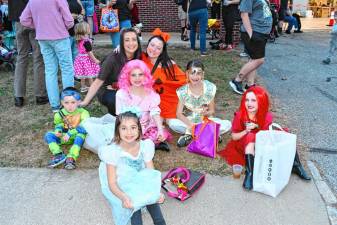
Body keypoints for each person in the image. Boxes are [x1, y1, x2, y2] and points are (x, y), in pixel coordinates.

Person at [219, 86, 311, 190]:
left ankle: (296, 165)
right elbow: (234, 137)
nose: (249, 103)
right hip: (244, 145)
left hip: (261, 144)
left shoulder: (266, 116)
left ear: (261, 102)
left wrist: (258, 128)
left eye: (254, 100)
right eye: (247, 100)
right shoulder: (240, 115)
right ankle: (250, 173)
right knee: (250, 136)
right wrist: (246, 131)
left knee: (283, 134)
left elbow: (267, 134)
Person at [98, 110, 166, 225]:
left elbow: (151, 174)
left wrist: (156, 193)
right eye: (124, 128)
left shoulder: (145, 146)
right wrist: (123, 197)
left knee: (157, 212)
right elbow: (112, 183)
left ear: (139, 129)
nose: (129, 132)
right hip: (123, 183)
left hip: (141, 179)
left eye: (133, 127)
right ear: (117, 131)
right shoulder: (112, 152)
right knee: (135, 214)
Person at [20, 0, 75, 112]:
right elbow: (69, 21)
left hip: (43, 37)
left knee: (50, 70)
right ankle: (70, 103)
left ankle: (55, 105)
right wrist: (63, 25)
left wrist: (38, 25)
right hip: (60, 36)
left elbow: (23, 19)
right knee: (67, 68)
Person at [170, 59, 231, 147]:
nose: (195, 76)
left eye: (198, 73)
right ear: (187, 73)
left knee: (227, 124)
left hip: (205, 121)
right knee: (172, 123)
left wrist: (206, 113)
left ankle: (191, 134)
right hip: (190, 121)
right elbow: (179, 114)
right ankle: (210, 134)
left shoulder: (209, 88)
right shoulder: (183, 91)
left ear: (203, 74)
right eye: (192, 73)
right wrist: (191, 125)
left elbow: (212, 111)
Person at [81, 28, 142, 115]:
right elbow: (98, 82)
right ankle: (118, 118)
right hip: (109, 89)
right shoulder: (112, 59)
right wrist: (85, 102)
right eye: (127, 40)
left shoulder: (140, 56)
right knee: (115, 100)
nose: (131, 43)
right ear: (121, 43)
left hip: (129, 88)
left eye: (133, 39)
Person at [116, 59, 171, 151]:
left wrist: (160, 129)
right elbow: (120, 116)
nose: (137, 78)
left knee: (160, 134)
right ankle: (145, 144)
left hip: (147, 125)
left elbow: (155, 111)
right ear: (127, 77)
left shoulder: (150, 92)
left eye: (140, 74)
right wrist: (131, 129)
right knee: (126, 139)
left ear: (145, 76)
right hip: (129, 126)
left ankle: (150, 142)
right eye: (133, 75)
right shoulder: (122, 94)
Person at [141, 28, 187, 132]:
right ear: (147, 44)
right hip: (146, 102)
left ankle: (200, 131)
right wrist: (119, 48)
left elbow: (185, 82)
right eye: (152, 45)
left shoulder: (169, 65)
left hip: (166, 102)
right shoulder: (141, 58)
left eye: (158, 48)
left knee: (172, 124)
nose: (153, 49)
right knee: (147, 124)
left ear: (162, 51)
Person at [8, 0, 48, 107]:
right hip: (34, 16)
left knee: (22, 56)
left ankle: (18, 96)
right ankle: (40, 95)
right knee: (38, 57)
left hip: (18, 17)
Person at [229, 0, 272, 94]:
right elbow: (244, 15)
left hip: (261, 32)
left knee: (253, 59)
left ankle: (250, 85)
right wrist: (251, 34)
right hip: (254, 32)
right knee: (259, 60)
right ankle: (237, 81)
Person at [44, 87, 90, 170]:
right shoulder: (59, 114)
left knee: (81, 135)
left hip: (77, 137)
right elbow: (58, 124)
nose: (70, 105)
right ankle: (58, 154)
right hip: (64, 137)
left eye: (73, 102)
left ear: (79, 102)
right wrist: (58, 130)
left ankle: (71, 157)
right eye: (66, 102)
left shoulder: (83, 113)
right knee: (48, 135)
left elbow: (84, 128)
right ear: (62, 102)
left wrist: (70, 133)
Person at [73, 21, 100, 92]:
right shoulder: (86, 41)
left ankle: (83, 87)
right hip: (86, 60)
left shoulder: (79, 39)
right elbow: (89, 53)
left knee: (83, 75)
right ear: (85, 30)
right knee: (89, 75)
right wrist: (95, 60)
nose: (89, 29)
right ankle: (93, 88)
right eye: (88, 27)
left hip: (80, 59)